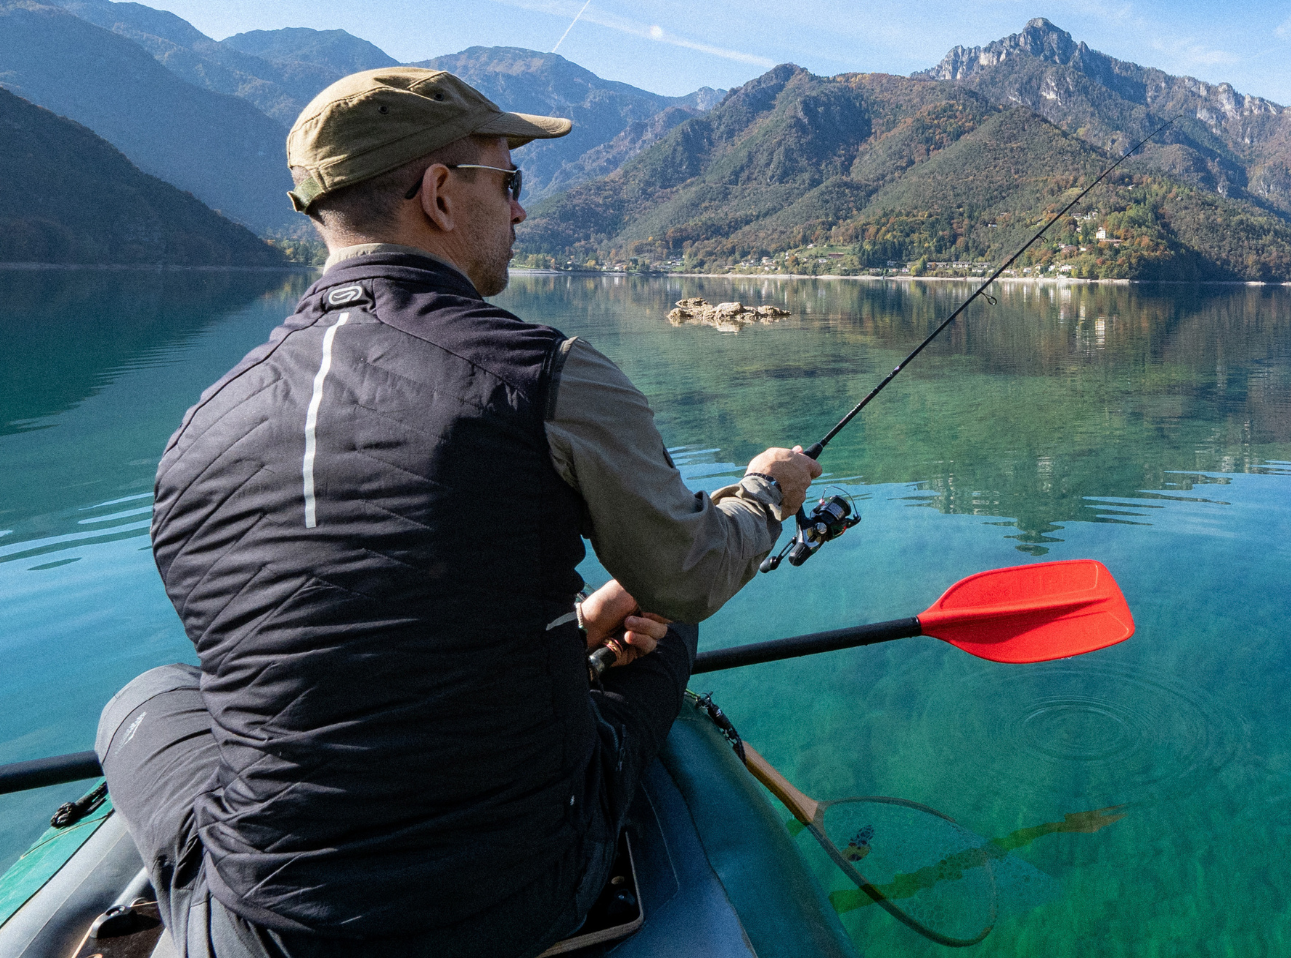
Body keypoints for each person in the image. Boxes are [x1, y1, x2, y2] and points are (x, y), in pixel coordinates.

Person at [96, 66, 820, 957]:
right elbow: (694, 571)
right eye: (508, 182)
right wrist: (762, 494)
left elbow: (339, 635)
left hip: (263, 929)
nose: (519, 213)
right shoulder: (546, 372)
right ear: (439, 194)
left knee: (149, 697)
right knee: (673, 623)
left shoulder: (197, 431)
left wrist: (582, 620)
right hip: (516, 890)